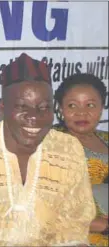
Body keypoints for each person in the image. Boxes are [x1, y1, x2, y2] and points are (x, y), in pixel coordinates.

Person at [0, 53, 96, 246]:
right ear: (2, 108)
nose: (34, 117)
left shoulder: (67, 150)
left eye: (43, 107)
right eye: (22, 106)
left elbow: (73, 226)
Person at [53, 73, 108, 246]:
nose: (81, 112)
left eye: (90, 105)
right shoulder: (51, 144)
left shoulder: (105, 138)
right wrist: (101, 225)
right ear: (60, 109)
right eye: (72, 105)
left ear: (102, 107)